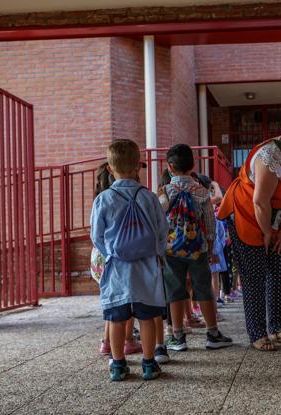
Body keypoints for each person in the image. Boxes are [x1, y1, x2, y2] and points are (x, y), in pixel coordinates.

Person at [218, 109, 281, 351]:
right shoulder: (271, 154)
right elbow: (259, 201)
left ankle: (278, 327)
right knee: (254, 275)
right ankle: (257, 333)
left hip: (279, 217)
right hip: (248, 213)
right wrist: (266, 232)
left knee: (278, 270)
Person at [90, 139, 168, 381]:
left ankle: (118, 365)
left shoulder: (103, 199)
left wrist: (111, 251)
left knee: (116, 316)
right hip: (146, 266)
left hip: (117, 268)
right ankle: (148, 363)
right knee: (146, 316)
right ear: (137, 167)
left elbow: (96, 235)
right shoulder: (149, 197)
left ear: (110, 169)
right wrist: (156, 253)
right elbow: (162, 230)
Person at [160, 144, 233, 351]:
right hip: (197, 248)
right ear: (193, 166)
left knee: (175, 290)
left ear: (170, 167)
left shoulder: (165, 191)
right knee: (203, 288)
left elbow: (159, 222)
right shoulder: (201, 191)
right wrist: (210, 247)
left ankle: (177, 336)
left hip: (171, 249)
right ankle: (212, 333)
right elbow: (210, 222)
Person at [92, 162, 143, 358]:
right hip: (118, 255)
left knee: (112, 302)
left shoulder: (100, 198)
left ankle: (107, 342)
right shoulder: (124, 197)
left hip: (100, 256)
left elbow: (96, 233)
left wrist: (106, 253)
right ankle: (128, 340)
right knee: (127, 299)